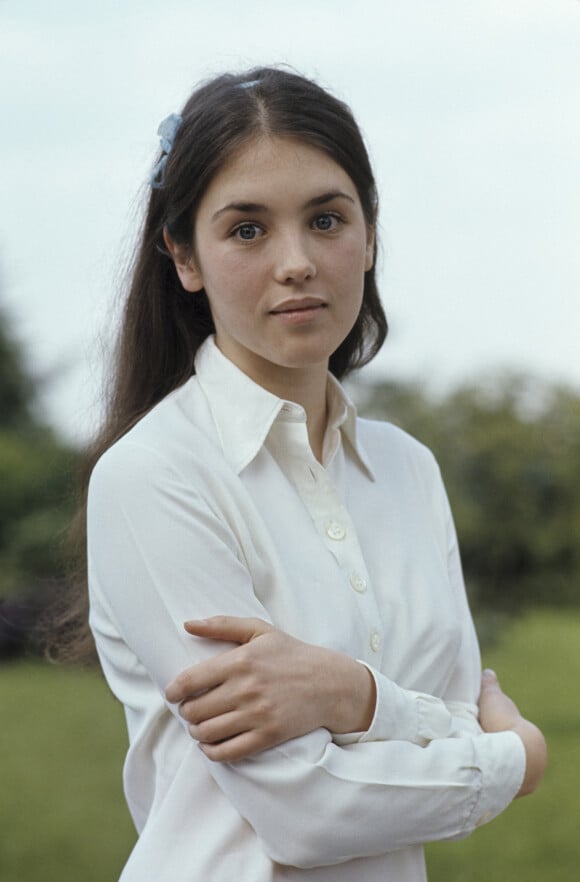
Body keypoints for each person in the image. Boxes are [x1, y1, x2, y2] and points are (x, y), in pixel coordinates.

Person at [84, 67, 546, 881]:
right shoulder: (153, 477)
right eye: (248, 230)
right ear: (184, 256)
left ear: (368, 235)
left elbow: (464, 710)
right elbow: (305, 810)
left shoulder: (408, 470)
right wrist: (513, 759)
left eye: (326, 219)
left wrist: (350, 699)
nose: (296, 262)